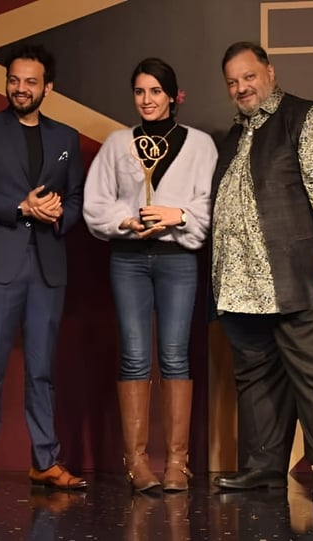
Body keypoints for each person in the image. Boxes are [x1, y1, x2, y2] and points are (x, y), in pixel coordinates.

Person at [210, 42, 313, 498]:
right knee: (256, 379)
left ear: (270, 73)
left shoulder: (307, 118)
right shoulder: (235, 135)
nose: (242, 87)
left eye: (249, 76)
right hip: (244, 290)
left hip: (306, 280)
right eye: (233, 82)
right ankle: (263, 467)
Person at [0, 43, 87, 496]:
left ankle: (45, 461)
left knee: (41, 368)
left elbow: (75, 200)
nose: (21, 89)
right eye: (14, 80)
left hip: (48, 264)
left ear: (48, 87)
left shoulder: (66, 140)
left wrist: (57, 215)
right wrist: (21, 206)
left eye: (31, 82)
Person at [83, 58, 216, 492]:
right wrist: (127, 221)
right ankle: (137, 464)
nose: (147, 100)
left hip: (177, 258)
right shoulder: (118, 143)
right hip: (128, 259)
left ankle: (178, 464)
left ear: (174, 96)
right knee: (135, 356)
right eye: (140, 92)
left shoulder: (200, 145)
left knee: (175, 355)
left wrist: (175, 215)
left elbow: (209, 203)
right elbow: (96, 204)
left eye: (155, 92)